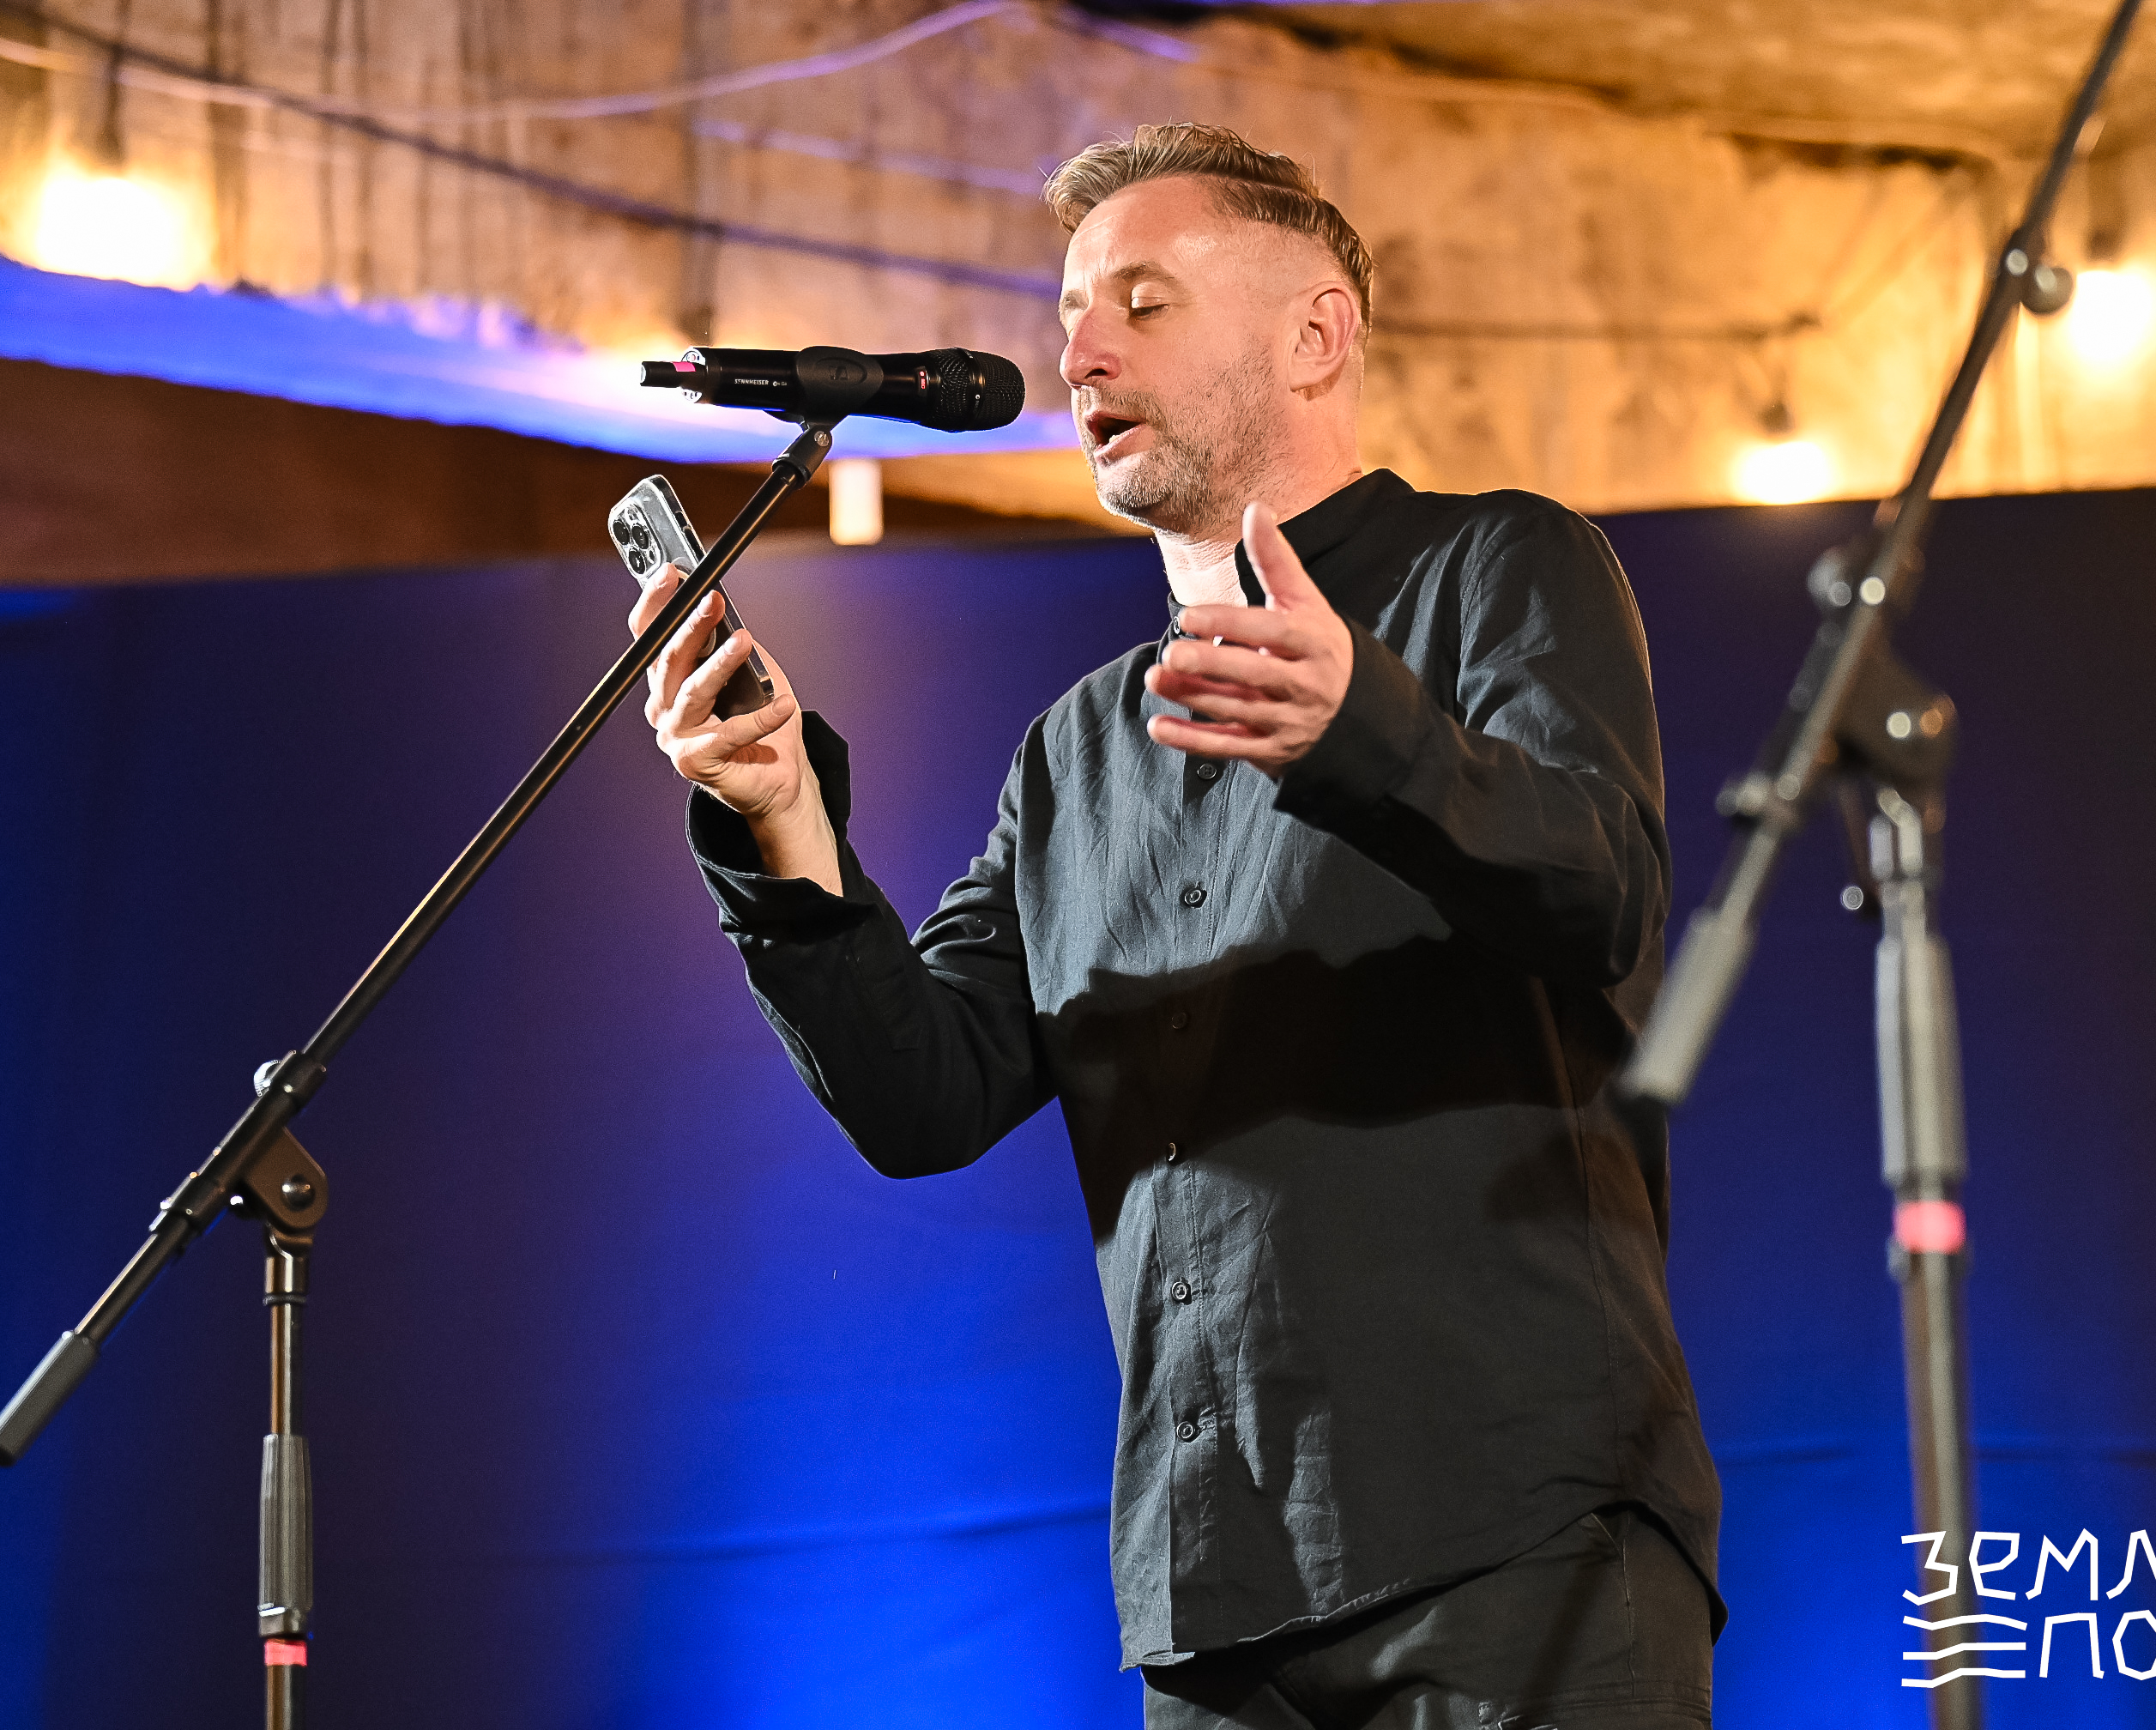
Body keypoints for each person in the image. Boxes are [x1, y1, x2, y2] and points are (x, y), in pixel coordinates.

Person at [630, 122, 1723, 1730]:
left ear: (1315, 335)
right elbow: (926, 1095)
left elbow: (1599, 886)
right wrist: (783, 820)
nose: (1081, 352)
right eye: (1072, 310)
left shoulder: (1502, 563)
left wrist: (1367, 732)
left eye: (1142, 302)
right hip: (1214, 1598)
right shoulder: (1078, 750)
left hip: (1517, 1540)